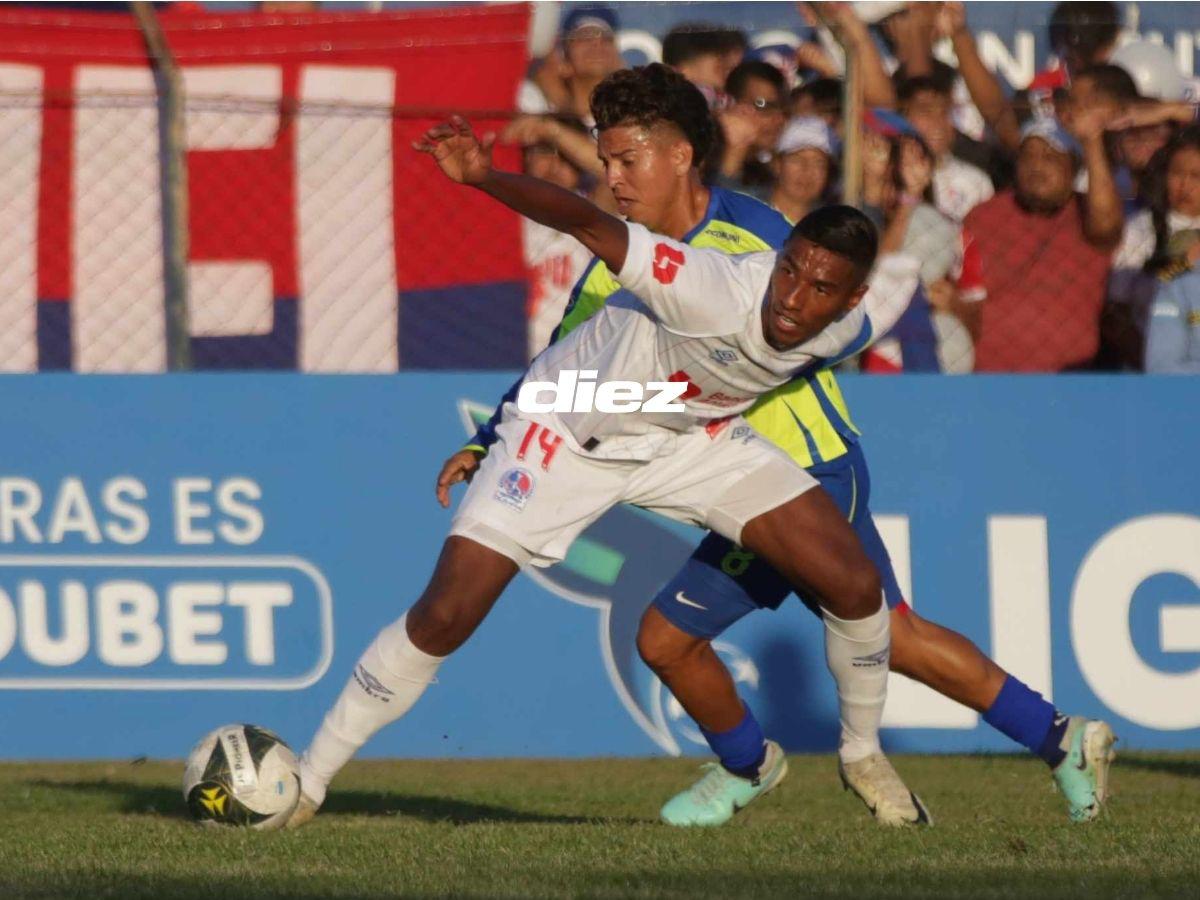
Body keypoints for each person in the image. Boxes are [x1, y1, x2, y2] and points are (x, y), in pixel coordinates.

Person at [454, 65, 1114, 827]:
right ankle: (1056, 739)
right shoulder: (616, 264)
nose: (613, 180)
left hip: (808, 468)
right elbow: (562, 366)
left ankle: (754, 767)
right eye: (605, 165)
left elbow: (825, 318)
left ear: (678, 158)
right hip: (731, 477)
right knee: (844, 638)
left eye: (625, 162)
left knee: (698, 637)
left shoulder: (759, 234)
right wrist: (486, 437)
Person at [286, 111, 926, 829]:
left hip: (685, 434)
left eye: (817, 288)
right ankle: (304, 784)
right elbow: (591, 226)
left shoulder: (854, 321)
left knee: (854, 580)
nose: (792, 297)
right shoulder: (711, 285)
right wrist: (487, 176)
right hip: (565, 429)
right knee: (448, 610)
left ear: (850, 299)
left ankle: (862, 753)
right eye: (789, 272)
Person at [966, 117, 1123, 371]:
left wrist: (1092, 143)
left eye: (1050, 157)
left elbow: (1107, 227)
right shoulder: (985, 216)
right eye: (1027, 157)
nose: (1036, 166)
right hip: (988, 377)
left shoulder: (1089, 215)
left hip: (1068, 380)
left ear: (1073, 168)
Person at [1111, 127, 1200, 369]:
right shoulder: (1140, 229)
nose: (1185, 185)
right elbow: (1116, 311)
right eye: (1177, 173)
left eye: (1197, 176)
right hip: (1149, 363)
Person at [898, 74, 993, 222]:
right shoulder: (886, 178)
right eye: (926, 111)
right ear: (902, 118)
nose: (938, 121)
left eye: (945, 112)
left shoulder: (976, 182)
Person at [520, 6, 624, 123]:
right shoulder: (533, 102)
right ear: (564, 56)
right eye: (585, 37)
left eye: (606, 38)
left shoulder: (635, 113)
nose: (597, 45)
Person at [769, 116, 839, 223]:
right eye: (796, 159)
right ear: (777, 165)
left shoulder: (832, 227)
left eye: (818, 163)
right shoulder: (747, 211)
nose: (807, 170)